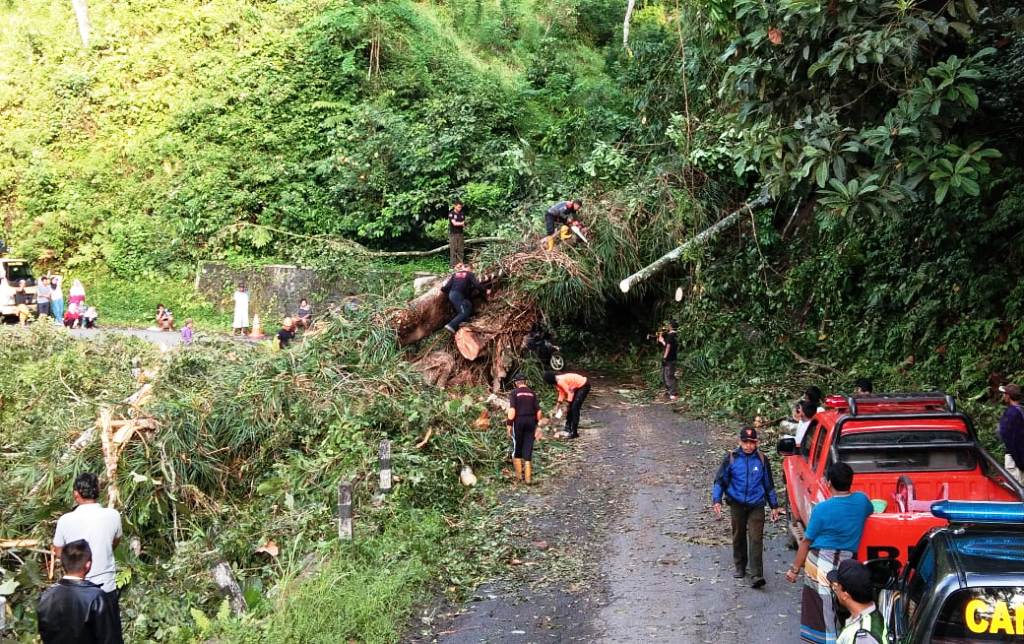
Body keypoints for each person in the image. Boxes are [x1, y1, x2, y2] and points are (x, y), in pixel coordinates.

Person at [785, 462, 874, 644]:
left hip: (820, 564)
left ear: (828, 483)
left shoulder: (822, 509)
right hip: (847, 565)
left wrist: (794, 569)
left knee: (822, 612)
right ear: (850, 481)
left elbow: (806, 542)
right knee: (848, 608)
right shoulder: (862, 501)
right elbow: (871, 509)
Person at [52, 473, 124, 635]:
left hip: (76, 591)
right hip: (106, 587)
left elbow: (58, 551)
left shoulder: (65, 520)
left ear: (76, 494)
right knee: (109, 636)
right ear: (98, 490)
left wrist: (75, 564)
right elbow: (114, 541)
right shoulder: (113, 515)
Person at [712, 427, 781, 589]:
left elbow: (769, 484)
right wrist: (717, 500)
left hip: (756, 503)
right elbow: (720, 481)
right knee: (739, 534)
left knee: (756, 538)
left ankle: (757, 574)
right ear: (739, 442)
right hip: (736, 503)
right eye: (745, 442)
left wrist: (774, 506)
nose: (749, 446)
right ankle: (740, 566)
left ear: (757, 443)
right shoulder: (731, 458)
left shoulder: (762, 459)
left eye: (752, 442)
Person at [37, 539, 123, 644]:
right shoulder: (96, 597)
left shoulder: (47, 595)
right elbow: (109, 639)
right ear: (88, 564)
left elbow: (45, 633)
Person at [827, 560, 885, 644]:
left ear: (845, 595)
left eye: (836, 587)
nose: (835, 590)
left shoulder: (863, 637)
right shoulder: (872, 614)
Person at [506, 373, 543, 484]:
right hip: (531, 421)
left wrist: (509, 424)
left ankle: (519, 477)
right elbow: (539, 411)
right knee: (528, 445)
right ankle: (528, 478)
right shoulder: (532, 393)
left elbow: (512, 410)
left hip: (519, 421)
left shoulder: (514, 393)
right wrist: (538, 424)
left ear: (516, 383)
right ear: (525, 382)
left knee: (518, 446)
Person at [543, 370, 590, 439]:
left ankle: (574, 432)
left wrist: (567, 404)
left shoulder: (560, 381)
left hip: (583, 385)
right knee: (570, 408)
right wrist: (558, 405)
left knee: (574, 408)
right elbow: (562, 393)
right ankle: (567, 428)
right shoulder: (557, 382)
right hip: (575, 388)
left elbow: (570, 393)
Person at [441, 263, 484, 333]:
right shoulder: (469, 274)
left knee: (468, 305)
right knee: (464, 312)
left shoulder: (455, 274)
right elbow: (477, 285)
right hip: (459, 296)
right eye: (471, 269)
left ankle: (463, 323)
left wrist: (442, 288)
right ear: (469, 268)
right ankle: (451, 325)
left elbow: (446, 287)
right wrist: (485, 290)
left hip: (452, 295)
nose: (472, 270)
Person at [998, 383, 1024, 483]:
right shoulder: (1021, 410)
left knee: (1014, 492)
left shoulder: (1011, 413)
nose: (1003, 396)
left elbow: (1008, 437)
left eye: (1004, 394)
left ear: (1008, 396)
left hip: (1014, 459)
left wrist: (1020, 462)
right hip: (1020, 457)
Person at [657, 321, 679, 400]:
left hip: (669, 359)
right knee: (666, 375)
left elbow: (668, 347)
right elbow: (667, 345)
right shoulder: (676, 335)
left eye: (668, 325)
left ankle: (673, 394)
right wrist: (662, 341)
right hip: (673, 358)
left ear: (670, 326)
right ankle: (670, 391)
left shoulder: (670, 336)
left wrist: (664, 358)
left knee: (668, 376)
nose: (667, 327)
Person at [447, 199, 466, 268]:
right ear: (454, 206)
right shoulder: (451, 213)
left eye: (461, 207)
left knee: (460, 249)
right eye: (458, 207)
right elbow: (454, 223)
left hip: (460, 233)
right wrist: (461, 223)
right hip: (453, 234)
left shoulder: (462, 213)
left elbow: (464, 224)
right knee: (453, 250)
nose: (460, 208)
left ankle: (460, 265)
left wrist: (463, 224)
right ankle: (453, 266)